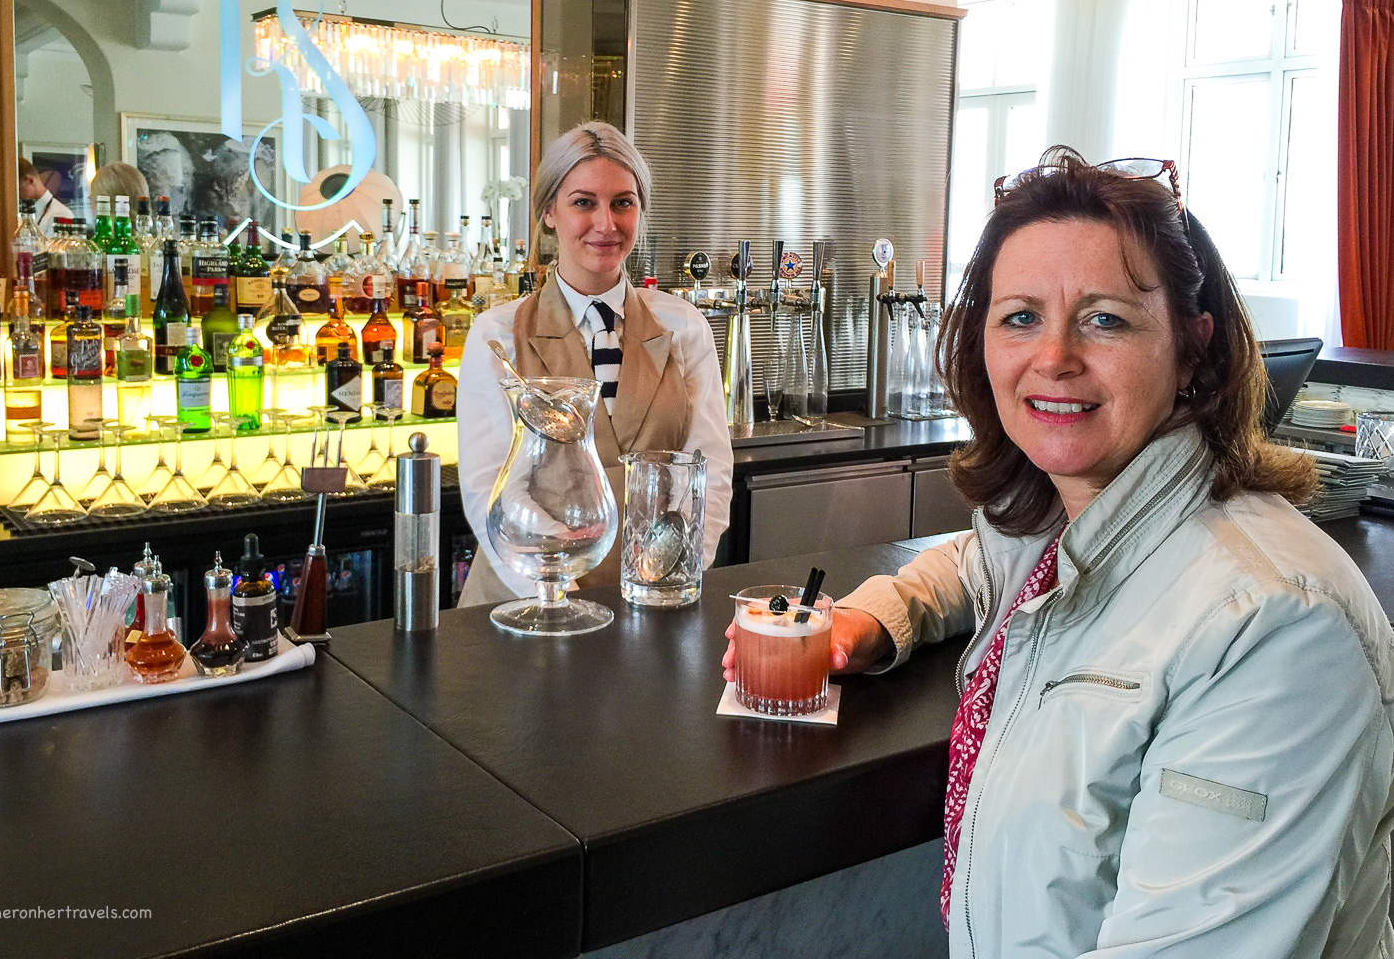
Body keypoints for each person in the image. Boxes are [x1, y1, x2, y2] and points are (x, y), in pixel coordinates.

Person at [723, 147, 1394, 956]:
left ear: (1193, 346)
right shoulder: (1064, 522)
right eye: (1021, 317)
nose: (1053, 357)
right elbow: (973, 565)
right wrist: (869, 620)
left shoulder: (1276, 629)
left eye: (1105, 318)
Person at [457, 122, 733, 607]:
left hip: (652, 594)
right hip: (525, 601)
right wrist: (560, 591)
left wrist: (671, 573)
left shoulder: (684, 328)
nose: (606, 224)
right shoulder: (497, 337)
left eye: (623, 202)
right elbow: (489, 492)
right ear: (549, 212)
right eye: (584, 202)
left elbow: (708, 472)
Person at [17, 158, 67, 235]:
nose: (16, 194)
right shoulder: (21, 213)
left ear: (30, 180)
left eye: (17, 188)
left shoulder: (61, 215)